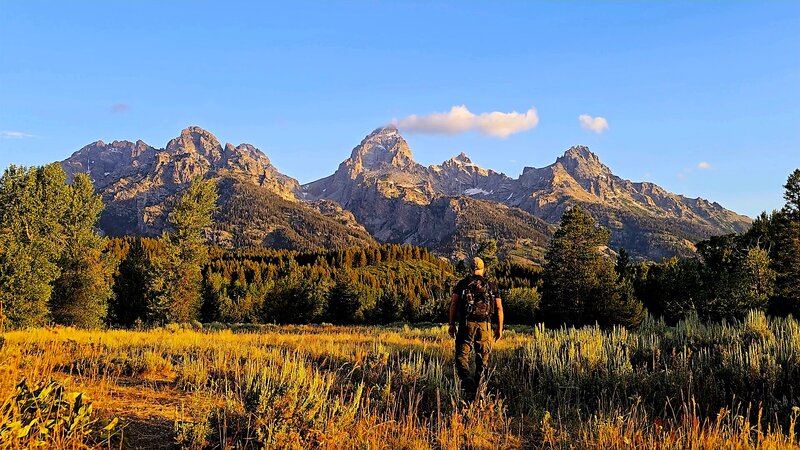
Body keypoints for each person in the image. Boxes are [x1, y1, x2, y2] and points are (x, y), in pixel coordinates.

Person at [448, 256, 504, 396]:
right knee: (483, 357)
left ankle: (467, 383)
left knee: (461, 355)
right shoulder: (491, 286)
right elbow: (499, 308)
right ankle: (480, 389)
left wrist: (451, 324)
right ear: (484, 269)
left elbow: (454, 304)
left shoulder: (462, 284)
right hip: (485, 324)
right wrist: (499, 328)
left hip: (466, 324)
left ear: (470, 269)